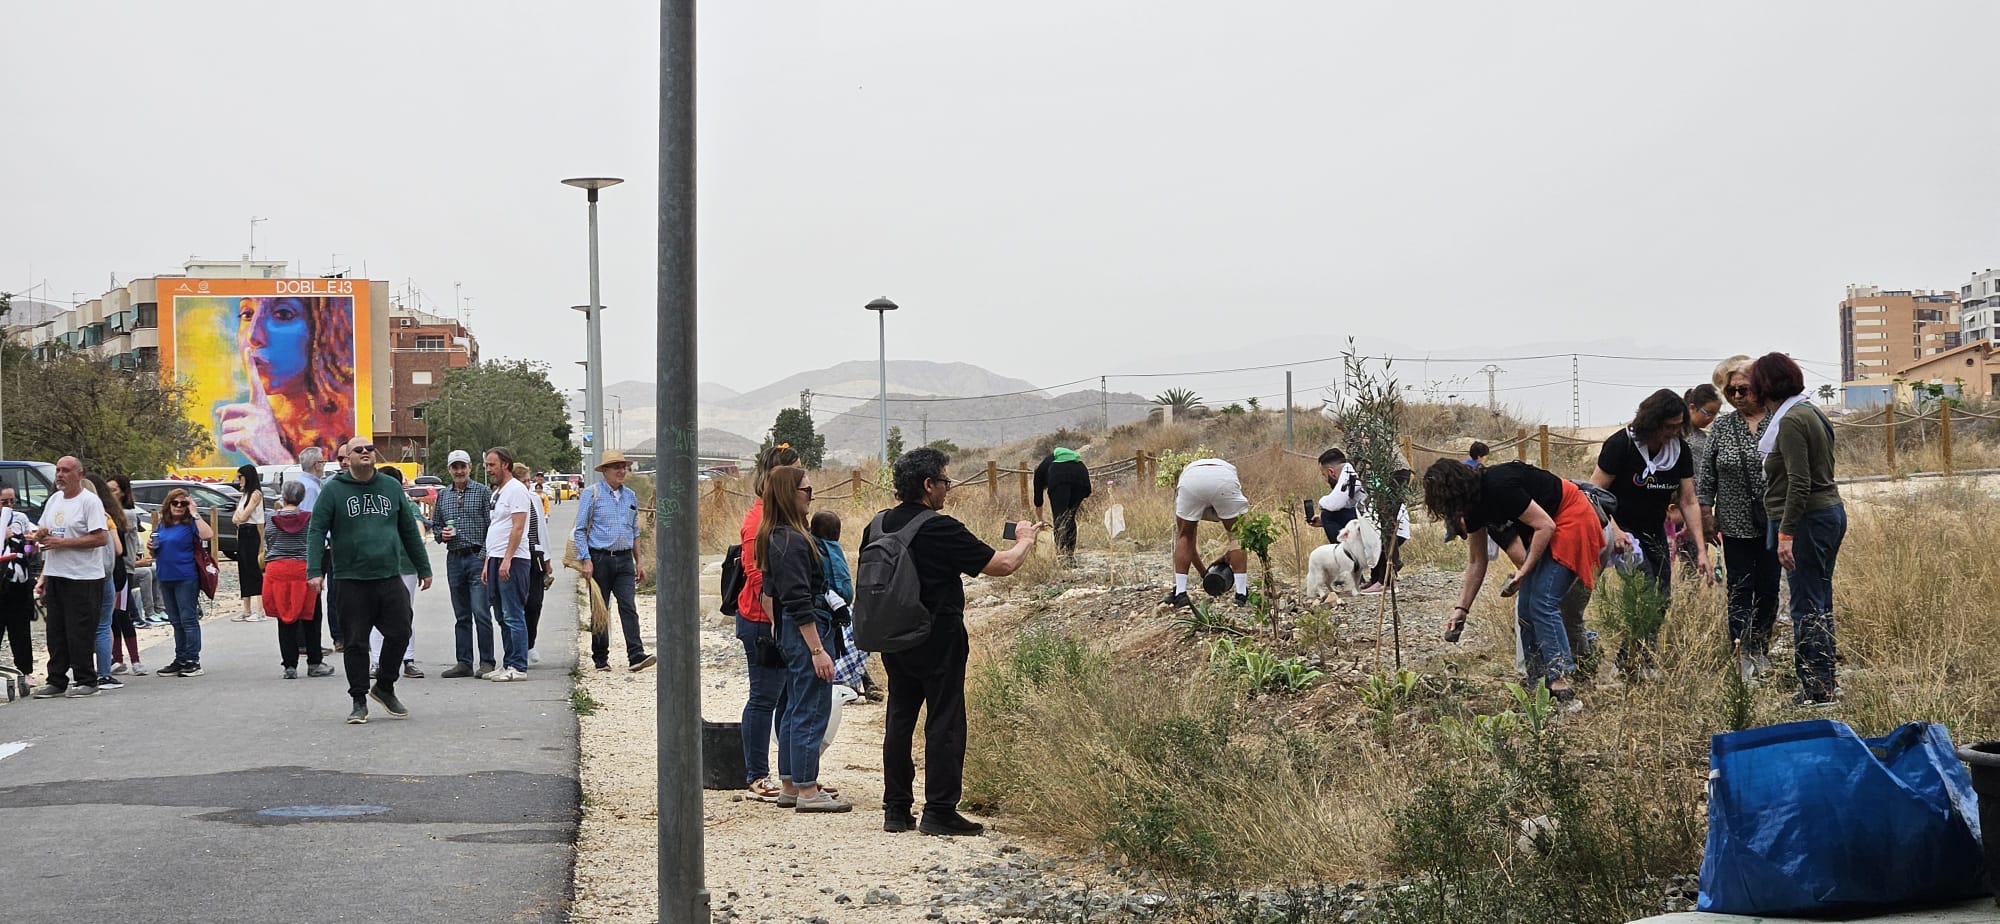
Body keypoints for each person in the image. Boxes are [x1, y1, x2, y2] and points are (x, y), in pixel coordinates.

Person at [869, 447, 1039, 836]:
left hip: (892, 635)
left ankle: (896, 809)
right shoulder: (939, 527)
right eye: (944, 481)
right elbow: (1003, 565)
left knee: (900, 717)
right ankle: (939, 810)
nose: (948, 489)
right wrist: (1026, 539)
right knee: (944, 719)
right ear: (928, 485)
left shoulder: (878, 525)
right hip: (937, 636)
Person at [1424, 458, 1605, 705]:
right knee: (1525, 608)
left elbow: (1545, 525)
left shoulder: (1499, 484)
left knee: (1542, 602)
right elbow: (1477, 562)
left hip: (1573, 516)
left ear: (1456, 492)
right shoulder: (1472, 507)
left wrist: (1524, 571)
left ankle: (1560, 683)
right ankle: (1536, 683)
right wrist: (1461, 610)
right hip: (1551, 527)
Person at [307, 436, 432, 724]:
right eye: (358, 450)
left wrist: (424, 568)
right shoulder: (333, 490)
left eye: (369, 449)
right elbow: (316, 531)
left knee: (401, 632)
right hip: (350, 578)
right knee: (355, 643)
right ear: (347, 458)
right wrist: (314, 570)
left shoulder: (390, 487)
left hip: (388, 575)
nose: (365, 453)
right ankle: (359, 700)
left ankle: (385, 687)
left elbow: (409, 531)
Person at [1590, 389, 1712, 673]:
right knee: (1643, 588)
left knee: (1662, 595)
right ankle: (1637, 659)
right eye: (1667, 427)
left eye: (1676, 427)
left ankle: (1633, 656)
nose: (1672, 433)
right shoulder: (1621, 445)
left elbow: (1688, 500)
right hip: (1621, 530)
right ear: (1651, 421)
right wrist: (1616, 531)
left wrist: (1702, 551)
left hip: (1653, 529)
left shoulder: (1678, 451)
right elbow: (1593, 493)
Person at [754, 466, 850, 814]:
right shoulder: (793, 540)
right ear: (790, 494)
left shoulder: (773, 536)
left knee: (795, 705)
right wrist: (817, 649)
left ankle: (792, 783)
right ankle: (808, 789)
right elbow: (798, 599)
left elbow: (770, 593)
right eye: (807, 491)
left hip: (790, 630)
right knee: (811, 706)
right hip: (807, 629)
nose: (811, 496)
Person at [1751, 352, 1845, 708]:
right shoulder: (1811, 411)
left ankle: (1816, 688)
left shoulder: (1790, 420)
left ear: (1766, 385)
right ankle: (1826, 681)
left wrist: (1786, 533)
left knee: (1805, 604)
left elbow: (1799, 482)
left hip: (1807, 519)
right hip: (1826, 514)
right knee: (1819, 599)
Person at [1698, 355, 1782, 679]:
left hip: (1773, 521)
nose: (1736, 396)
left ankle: (1761, 646)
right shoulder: (1722, 426)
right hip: (1733, 525)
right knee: (1740, 587)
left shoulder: (1778, 420)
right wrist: (1706, 515)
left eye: (1743, 389)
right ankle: (1740, 650)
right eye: (1731, 392)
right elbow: (1706, 479)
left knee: (1770, 587)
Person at [215, 295, 357, 465]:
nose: (253, 336)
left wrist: (277, 459)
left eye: (283, 314)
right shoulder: (248, 431)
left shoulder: (350, 431)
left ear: (321, 329)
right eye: (247, 314)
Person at [737, 444, 803, 802]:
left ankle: (791, 777)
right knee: (764, 697)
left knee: (786, 699)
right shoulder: (758, 522)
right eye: (797, 476)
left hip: (780, 620)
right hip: (763, 622)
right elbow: (760, 579)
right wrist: (780, 627)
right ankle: (756, 775)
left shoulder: (779, 518)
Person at [31, 457, 114, 698]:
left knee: (79, 631)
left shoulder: (90, 502)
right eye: (58, 470)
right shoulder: (55, 500)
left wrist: (64, 542)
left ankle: (86, 679)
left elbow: (100, 538)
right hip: (57, 572)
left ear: (80, 474)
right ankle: (56, 680)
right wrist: (41, 534)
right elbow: (45, 529)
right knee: (55, 631)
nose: (59, 475)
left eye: (66, 471)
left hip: (83, 576)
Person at [573, 449, 656, 673]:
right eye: (616, 467)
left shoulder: (630, 496)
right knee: (600, 608)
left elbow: (634, 531)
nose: (621, 471)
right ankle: (600, 657)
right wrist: (586, 560)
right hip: (599, 558)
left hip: (624, 559)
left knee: (628, 605)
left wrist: (639, 561)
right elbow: (580, 530)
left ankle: (636, 654)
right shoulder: (592, 494)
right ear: (605, 471)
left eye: (624, 467)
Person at [431, 449, 494, 679]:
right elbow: (436, 525)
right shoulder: (444, 495)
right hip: (454, 558)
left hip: (477, 557)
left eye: (463, 466)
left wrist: (485, 557)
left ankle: (487, 660)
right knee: (461, 614)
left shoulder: (483, 492)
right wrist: (441, 535)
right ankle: (464, 662)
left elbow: (492, 527)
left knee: (481, 611)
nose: (459, 471)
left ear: (470, 468)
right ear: (449, 469)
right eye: (455, 467)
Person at [263, 479, 330, 679]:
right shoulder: (310, 518)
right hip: (303, 568)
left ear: (283, 497)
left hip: (278, 569)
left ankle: (289, 666)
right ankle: (314, 662)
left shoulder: (270, 518)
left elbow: (269, 540)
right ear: (302, 497)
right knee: (311, 616)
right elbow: (316, 543)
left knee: (284, 618)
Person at [480, 446, 536, 682]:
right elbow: (496, 528)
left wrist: (507, 559)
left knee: (513, 613)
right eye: (487, 465)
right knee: (501, 615)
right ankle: (508, 662)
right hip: (495, 558)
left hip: (513, 560)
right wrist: (488, 562)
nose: (488, 470)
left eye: (492, 465)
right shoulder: (498, 493)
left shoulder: (516, 491)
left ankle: (518, 665)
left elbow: (518, 526)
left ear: (505, 464)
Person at [148, 487, 215, 679]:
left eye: (182, 503)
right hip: (165, 576)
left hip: (186, 577)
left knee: (188, 620)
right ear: (168, 504)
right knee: (176, 621)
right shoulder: (163, 524)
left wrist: (195, 513)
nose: (178, 507)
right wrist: (151, 548)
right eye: (174, 503)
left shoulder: (190, 524)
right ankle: (180, 658)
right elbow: (157, 550)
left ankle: (193, 660)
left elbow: (207, 534)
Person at [1167, 457, 1249, 608]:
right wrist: (1206, 573)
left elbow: (1187, 542)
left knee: (1184, 535)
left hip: (1191, 479)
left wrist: (1204, 573)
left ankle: (1180, 592)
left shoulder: (1189, 473)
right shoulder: (1228, 469)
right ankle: (1241, 594)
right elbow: (1243, 539)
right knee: (1237, 536)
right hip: (1224, 479)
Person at [81, 475, 127, 691]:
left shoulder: (73, 516)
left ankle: (81, 671)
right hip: (103, 575)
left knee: (80, 625)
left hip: (78, 576)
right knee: (103, 625)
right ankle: (104, 673)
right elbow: (118, 549)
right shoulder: (105, 517)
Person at [99, 476, 142, 680]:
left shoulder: (125, 515)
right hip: (108, 570)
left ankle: (135, 660)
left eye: (114, 490)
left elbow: (120, 549)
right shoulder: (105, 515)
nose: (111, 494)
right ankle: (118, 659)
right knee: (111, 617)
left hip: (122, 570)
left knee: (122, 614)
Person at [514, 461, 552, 665]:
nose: (527, 485)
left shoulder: (534, 499)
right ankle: (518, 648)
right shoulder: (505, 497)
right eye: (523, 481)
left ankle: (530, 643)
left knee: (535, 602)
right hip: (515, 555)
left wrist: (547, 559)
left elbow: (541, 530)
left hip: (534, 553)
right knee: (517, 603)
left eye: (528, 481)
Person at [1031, 448, 1092, 562]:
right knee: (1070, 517)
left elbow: (1038, 503)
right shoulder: (1051, 460)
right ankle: (1069, 555)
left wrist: (1041, 521)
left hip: (1059, 475)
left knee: (1059, 518)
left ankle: (1061, 556)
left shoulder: (1039, 473)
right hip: (1081, 473)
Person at [0, 487, 35, 679]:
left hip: (18, 581)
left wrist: (30, 545)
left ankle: (25, 671)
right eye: (4, 502)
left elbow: (28, 547)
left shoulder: (20, 518)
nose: (9, 506)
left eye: (12, 501)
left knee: (20, 629)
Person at [230, 464, 267, 622]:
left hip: (253, 531)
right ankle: (246, 608)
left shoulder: (255, 494)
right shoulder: (244, 494)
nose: (239, 480)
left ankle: (260, 610)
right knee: (243, 568)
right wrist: (238, 517)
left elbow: (244, 516)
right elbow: (235, 518)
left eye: (241, 477)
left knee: (254, 568)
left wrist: (239, 517)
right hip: (243, 532)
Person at [1307, 448, 1361, 545]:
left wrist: (1321, 503)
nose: (1325, 479)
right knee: (1328, 516)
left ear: (1331, 472)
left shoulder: (1349, 474)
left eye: (1324, 475)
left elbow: (1334, 504)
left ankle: (1343, 554)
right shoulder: (1350, 471)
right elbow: (1347, 504)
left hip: (1373, 522)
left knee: (1327, 514)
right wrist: (1323, 522)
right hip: (1368, 518)